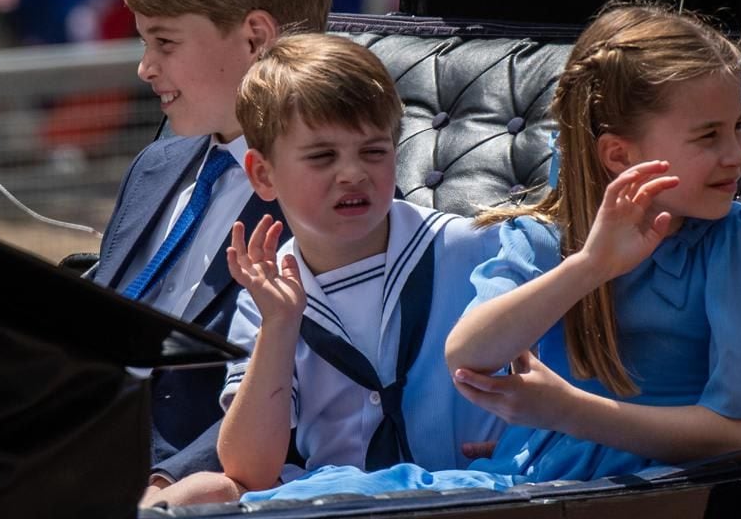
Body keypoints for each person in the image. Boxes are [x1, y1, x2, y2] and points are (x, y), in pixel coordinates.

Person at [236, 2, 741, 500]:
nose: (739, 154)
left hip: (640, 489)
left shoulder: (740, 239)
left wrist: (567, 412)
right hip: (519, 480)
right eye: (709, 136)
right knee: (291, 502)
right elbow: (468, 353)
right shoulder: (543, 236)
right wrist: (590, 266)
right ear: (617, 155)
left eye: (737, 127)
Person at [140, 35, 504, 506]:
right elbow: (250, 468)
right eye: (322, 156)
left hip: (473, 487)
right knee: (199, 491)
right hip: (332, 499)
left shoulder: (470, 246)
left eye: (374, 151)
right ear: (263, 175)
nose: (352, 173)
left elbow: (556, 350)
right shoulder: (267, 294)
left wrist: (527, 431)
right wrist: (279, 327)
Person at [90, 0, 332, 498]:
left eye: (165, 43)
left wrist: (164, 479)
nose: (145, 68)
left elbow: (302, 387)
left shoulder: (330, 196)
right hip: (78, 440)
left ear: (255, 39)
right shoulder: (158, 165)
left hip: (188, 479)